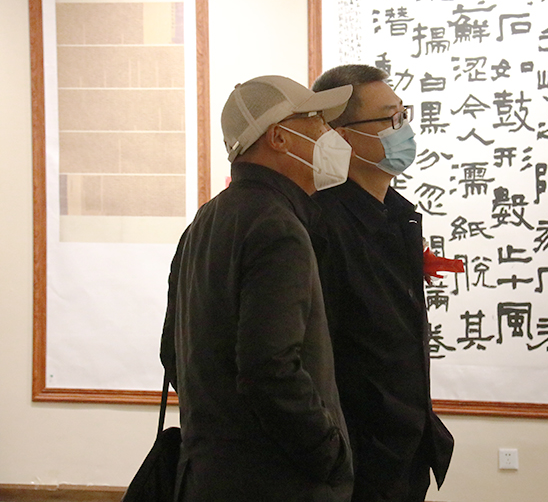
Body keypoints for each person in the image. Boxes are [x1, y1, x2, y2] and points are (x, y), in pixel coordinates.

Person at [160, 75, 355, 502]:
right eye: (317, 120)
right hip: (275, 482)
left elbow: (172, 354)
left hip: (209, 476)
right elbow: (270, 368)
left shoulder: (204, 222)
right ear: (279, 138)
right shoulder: (277, 226)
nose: (330, 134)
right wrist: (331, 455)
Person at [310, 64, 454, 502]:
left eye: (403, 115)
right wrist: (331, 449)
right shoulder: (322, 224)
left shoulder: (397, 214)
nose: (402, 130)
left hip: (406, 450)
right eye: (389, 119)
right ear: (342, 136)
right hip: (354, 460)